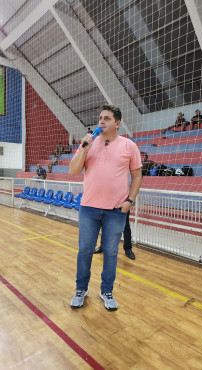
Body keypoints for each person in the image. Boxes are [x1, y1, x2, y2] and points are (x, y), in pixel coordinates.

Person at [69, 104, 142, 311]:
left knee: (110, 252)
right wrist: (84, 149)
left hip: (115, 211)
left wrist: (130, 200)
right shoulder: (88, 143)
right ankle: (81, 289)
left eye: (107, 118)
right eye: (100, 117)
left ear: (117, 124)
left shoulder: (129, 146)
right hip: (89, 209)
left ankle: (106, 290)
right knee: (84, 251)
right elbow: (73, 171)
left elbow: (137, 176)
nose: (101, 121)